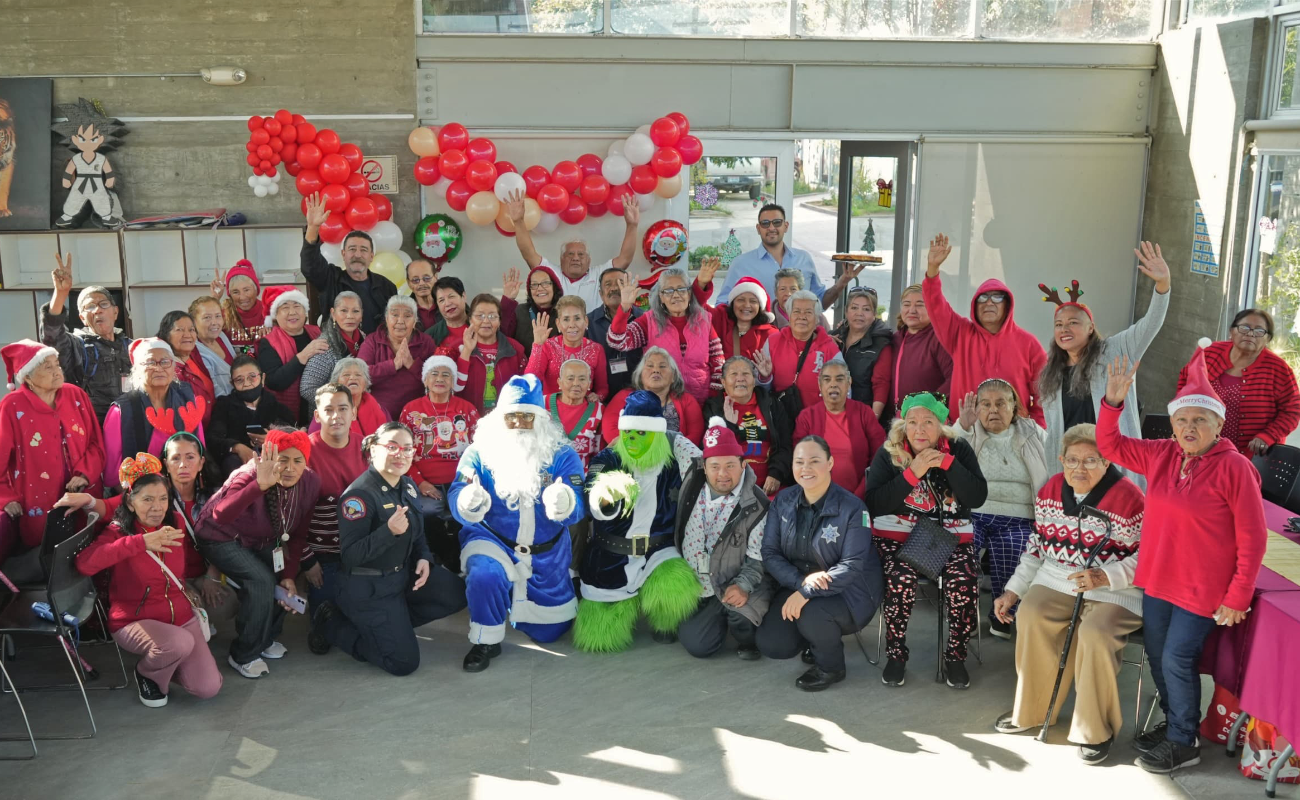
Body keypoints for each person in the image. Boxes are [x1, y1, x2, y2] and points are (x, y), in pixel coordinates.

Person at [1099, 353, 1266, 774]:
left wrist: (1238, 593)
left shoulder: (1236, 468)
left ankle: (1182, 741)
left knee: (1177, 658)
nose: (1189, 428)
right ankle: (1180, 724)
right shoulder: (1161, 455)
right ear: (1172, 424)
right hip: (1157, 580)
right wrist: (1113, 404)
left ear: (1217, 425)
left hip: (1201, 589)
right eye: (1182, 420)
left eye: (1200, 420)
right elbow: (1110, 445)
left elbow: (1253, 538)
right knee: (1158, 655)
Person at [991, 423, 1144, 765]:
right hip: (1058, 578)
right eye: (1072, 460)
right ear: (1061, 460)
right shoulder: (1049, 491)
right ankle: (1031, 710)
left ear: (1107, 462)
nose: (1080, 468)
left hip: (1115, 589)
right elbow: (1036, 547)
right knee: (1031, 614)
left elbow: (1147, 555)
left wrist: (1106, 575)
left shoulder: (1130, 498)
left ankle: (1094, 729)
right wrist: (1013, 591)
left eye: (1091, 460)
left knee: (1095, 633)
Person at [450, 375, 586, 671]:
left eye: (528, 416)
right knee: (486, 573)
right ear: (500, 418)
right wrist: (467, 500)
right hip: (493, 541)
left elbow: (578, 503)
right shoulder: (479, 453)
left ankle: (534, 595)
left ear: (541, 419)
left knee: (551, 633)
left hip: (545, 555)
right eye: (512, 416)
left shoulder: (562, 454)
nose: (520, 423)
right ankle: (486, 638)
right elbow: (457, 491)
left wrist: (565, 500)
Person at [311, 423, 467, 675]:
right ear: (373, 450)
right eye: (392, 447)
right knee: (403, 663)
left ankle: (392, 625)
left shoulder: (407, 485)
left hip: (402, 576)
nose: (401, 454)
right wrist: (388, 532)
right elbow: (350, 556)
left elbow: (417, 534)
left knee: (457, 594)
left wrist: (424, 558)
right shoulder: (359, 496)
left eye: (407, 449)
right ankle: (332, 623)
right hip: (370, 587)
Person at [865, 391, 988, 689]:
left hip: (948, 539)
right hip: (899, 537)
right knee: (900, 578)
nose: (919, 429)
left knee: (963, 579)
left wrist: (948, 465)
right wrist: (913, 473)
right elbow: (875, 503)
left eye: (927, 422)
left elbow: (978, 497)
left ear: (942, 425)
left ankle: (955, 656)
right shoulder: (889, 452)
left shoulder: (958, 449)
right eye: (912, 422)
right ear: (903, 425)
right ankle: (896, 655)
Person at [76, 460, 222, 708]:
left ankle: (168, 660)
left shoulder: (175, 521)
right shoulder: (118, 531)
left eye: (163, 498)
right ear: (130, 502)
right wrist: (141, 542)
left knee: (208, 688)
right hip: (132, 620)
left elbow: (181, 566)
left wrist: (191, 586)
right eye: (147, 500)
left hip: (181, 616)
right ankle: (148, 673)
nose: (157, 507)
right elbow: (85, 564)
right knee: (178, 643)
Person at [573, 390, 703, 652]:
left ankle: (662, 621)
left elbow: (701, 465)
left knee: (676, 588)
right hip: (611, 555)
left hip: (658, 551)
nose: (632, 439)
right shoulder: (609, 458)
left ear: (656, 434)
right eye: (628, 432)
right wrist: (606, 493)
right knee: (601, 636)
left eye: (641, 432)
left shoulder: (672, 461)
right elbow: (592, 490)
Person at [756, 436, 882, 691]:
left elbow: (852, 566)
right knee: (772, 644)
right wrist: (801, 583)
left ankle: (831, 667)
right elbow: (770, 552)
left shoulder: (854, 508)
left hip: (850, 593)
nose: (806, 468)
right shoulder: (783, 501)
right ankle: (815, 640)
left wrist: (806, 592)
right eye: (799, 462)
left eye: (815, 461)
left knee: (813, 614)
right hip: (799, 581)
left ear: (830, 463)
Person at [1040, 242, 1171, 484]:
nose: (1064, 328)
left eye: (1073, 322)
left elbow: (1151, 324)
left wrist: (1162, 286)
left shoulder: (1116, 350)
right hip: (1073, 471)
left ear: (1091, 328)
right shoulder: (1051, 373)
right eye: (1059, 324)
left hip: (1113, 468)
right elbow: (1053, 432)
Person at [195, 430, 319, 679]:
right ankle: (243, 654)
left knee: (282, 577)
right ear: (268, 458)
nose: (290, 468)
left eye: (298, 460)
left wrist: (289, 576)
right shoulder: (250, 473)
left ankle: (264, 639)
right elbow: (221, 515)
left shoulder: (310, 481)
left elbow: (298, 535)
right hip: (220, 537)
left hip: (260, 540)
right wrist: (260, 485)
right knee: (261, 581)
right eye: (282, 459)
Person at [954, 379, 1050, 639]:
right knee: (962, 550)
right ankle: (964, 615)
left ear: (1014, 406)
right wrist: (962, 426)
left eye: (1000, 403)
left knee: (1013, 549)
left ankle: (1003, 615)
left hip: (1020, 516)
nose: (993, 410)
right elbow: (948, 455)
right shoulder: (968, 430)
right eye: (985, 404)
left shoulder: (1032, 432)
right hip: (974, 512)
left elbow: (1055, 463)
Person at [923, 233, 1047, 425]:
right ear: (975, 305)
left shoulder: (1029, 343)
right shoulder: (960, 334)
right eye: (983, 298)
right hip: (967, 431)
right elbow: (936, 306)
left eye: (997, 297)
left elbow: (1044, 396)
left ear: (1008, 305)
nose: (989, 302)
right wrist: (932, 270)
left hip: (1013, 434)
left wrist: (1036, 431)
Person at [675, 418, 773, 660]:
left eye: (730, 465)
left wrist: (743, 586)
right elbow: (672, 439)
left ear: (743, 464)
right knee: (699, 646)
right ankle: (715, 617)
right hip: (699, 583)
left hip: (735, 581)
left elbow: (757, 558)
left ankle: (745, 637)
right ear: (703, 466)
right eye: (715, 466)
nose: (722, 474)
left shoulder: (757, 505)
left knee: (741, 618)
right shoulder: (692, 473)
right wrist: (625, 436)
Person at [0, 341, 103, 562]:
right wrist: (5, 497)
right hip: (37, 500)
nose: (58, 371)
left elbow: (96, 443)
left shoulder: (76, 395)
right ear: (27, 377)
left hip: (84, 491)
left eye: (57, 364)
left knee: (89, 553)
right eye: (48, 367)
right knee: (48, 558)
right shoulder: (12, 405)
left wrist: (84, 473)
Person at [1178, 308, 1300, 457]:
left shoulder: (1278, 369)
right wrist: (1184, 415)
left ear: (1267, 339)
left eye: (1259, 331)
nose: (1250, 334)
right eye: (1244, 328)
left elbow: (1292, 411)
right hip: (1204, 447)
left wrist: (1268, 435)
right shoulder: (1210, 352)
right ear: (1232, 331)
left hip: (1252, 455)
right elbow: (1186, 378)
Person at [401, 352, 478, 568]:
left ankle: (464, 559)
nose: (440, 379)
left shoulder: (467, 409)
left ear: (453, 381)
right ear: (425, 380)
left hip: (460, 480)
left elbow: (479, 450)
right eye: (434, 374)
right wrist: (419, 482)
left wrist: (467, 479)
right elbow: (403, 450)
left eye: (446, 374)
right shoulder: (411, 410)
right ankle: (444, 559)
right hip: (425, 481)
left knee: (468, 509)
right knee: (426, 512)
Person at [504, 188, 640, 311]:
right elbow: (529, 253)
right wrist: (518, 222)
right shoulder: (551, 274)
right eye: (570, 254)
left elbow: (625, 258)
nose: (575, 258)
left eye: (581, 254)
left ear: (589, 260)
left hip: (593, 335)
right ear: (561, 259)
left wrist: (632, 225)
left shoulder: (600, 274)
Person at [607, 267, 724, 405]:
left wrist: (713, 395)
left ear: (689, 293)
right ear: (661, 297)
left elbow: (718, 361)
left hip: (701, 402)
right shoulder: (649, 321)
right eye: (668, 291)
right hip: (661, 402)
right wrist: (625, 307)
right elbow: (617, 341)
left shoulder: (704, 320)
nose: (675, 295)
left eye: (681, 289)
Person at [299, 384, 367, 620]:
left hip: (361, 551)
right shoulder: (303, 452)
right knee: (325, 624)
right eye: (328, 410)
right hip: (321, 555)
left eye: (343, 408)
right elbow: (288, 516)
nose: (336, 416)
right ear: (317, 415)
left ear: (353, 412)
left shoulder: (368, 449)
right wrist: (307, 561)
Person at [716, 204, 862, 311]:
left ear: (786, 226)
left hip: (800, 340)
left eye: (777, 223)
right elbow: (722, 304)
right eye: (765, 223)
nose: (771, 228)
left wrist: (842, 283)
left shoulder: (804, 259)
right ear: (758, 228)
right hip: (759, 341)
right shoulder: (741, 264)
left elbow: (820, 303)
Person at [103, 339, 206, 489]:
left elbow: (199, 445)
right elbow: (113, 472)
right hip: (142, 492)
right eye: (150, 363)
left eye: (165, 362)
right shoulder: (121, 410)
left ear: (174, 367)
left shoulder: (187, 399)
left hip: (185, 487)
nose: (158, 368)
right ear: (136, 369)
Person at [40, 253, 130, 421]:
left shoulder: (132, 347)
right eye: (89, 307)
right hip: (91, 426)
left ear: (115, 311)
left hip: (130, 424)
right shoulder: (76, 346)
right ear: (82, 318)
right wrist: (61, 294)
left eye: (103, 304)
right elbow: (52, 336)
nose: (97, 310)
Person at [302, 192, 396, 333]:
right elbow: (310, 265)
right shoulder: (331, 279)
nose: (357, 255)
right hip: (338, 352)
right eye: (352, 249)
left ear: (371, 256)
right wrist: (313, 227)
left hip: (375, 352)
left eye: (363, 250)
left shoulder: (386, 287)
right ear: (343, 254)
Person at [793, 360, 885, 497]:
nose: (833, 384)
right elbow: (800, 463)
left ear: (849, 383)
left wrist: (858, 495)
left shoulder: (864, 413)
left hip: (860, 497)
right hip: (817, 497)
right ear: (820, 385)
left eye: (840, 379)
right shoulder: (807, 417)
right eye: (827, 379)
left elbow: (879, 457)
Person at [703, 356, 792, 494]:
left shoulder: (772, 405)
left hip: (771, 487)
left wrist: (776, 474)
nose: (740, 378)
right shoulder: (714, 409)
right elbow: (713, 452)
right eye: (733, 374)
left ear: (754, 380)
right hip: (731, 487)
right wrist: (729, 425)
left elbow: (785, 445)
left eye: (746, 373)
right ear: (723, 382)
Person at [757, 290, 844, 411]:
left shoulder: (830, 348)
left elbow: (844, 389)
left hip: (818, 419)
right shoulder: (773, 342)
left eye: (808, 312)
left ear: (817, 318)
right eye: (796, 311)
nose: (802, 316)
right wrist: (764, 378)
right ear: (789, 315)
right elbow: (761, 389)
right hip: (782, 418)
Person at [207, 356, 295, 473]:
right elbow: (213, 439)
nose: (247, 384)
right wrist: (236, 447)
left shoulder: (277, 407)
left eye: (252, 377)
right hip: (238, 466)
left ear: (262, 378)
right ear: (232, 383)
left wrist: (273, 438)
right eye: (239, 380)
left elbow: (296, 436)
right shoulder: (224, 406)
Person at [603, 347, 704, 447]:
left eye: (662, 366)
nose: (656, 370)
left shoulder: (686, 400)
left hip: (675, 458)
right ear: (641, 375)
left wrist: (667, 453)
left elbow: (695, 435)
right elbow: (610, 430)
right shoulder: (625, 397)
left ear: (673, 376)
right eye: (650, 365)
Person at [359, 296, 438, 419]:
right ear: (386, 318)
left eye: (407, 316)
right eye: (395, 315)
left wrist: (412, 364)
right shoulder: (372, 341)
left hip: (418, 415)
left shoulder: (426, 342)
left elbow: (437, 378)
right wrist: (393, 365)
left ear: (415, 320)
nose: (400, 321)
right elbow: (360, 375)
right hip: (379, 413)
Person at [255, 286, 325, 425]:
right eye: (285, 307)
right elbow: (274, 382)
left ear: (305, 311)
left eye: (297, 306)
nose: (292, 312)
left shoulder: (317, 332)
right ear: (275, 314)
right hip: (285, 417)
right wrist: (303, 356)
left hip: (319, 409)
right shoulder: (268, 341)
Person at [525, 295, 609, 399]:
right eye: (566, 319)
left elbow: (602, 389)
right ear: (558, 324)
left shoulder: (596, 349)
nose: (572, 325)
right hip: (551, 410)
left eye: (577, 318)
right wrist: (537, 345)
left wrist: (597, 396)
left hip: (584, 409)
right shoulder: (548, 346)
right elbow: (530, 382)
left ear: (586, 321)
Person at [454, 294, 527, 415]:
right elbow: (453, 387)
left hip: (505, 420)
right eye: (480, 316)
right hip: (466, 419)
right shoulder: (455, 348)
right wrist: (466, 350)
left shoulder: (515, 349)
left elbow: (526, 386)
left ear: (499, 321)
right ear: (470, 319)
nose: (486, 321)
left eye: (492, 316)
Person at [890, 283, 952, 415]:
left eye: (919, 305)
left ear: (932, 308)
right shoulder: (895, 339)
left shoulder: (939, 339)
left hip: (928, 419)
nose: (912, 310)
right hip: (897, 420)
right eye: (906, 304)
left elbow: (953, 379)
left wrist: (928, 405)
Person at [831, 286, 892, 417]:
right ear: (846, 312)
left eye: (866, 309)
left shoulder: (881, 343)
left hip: (862, 414)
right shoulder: (833, 337)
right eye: (854, 308)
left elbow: (881, 383)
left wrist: (873, 418)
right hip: (832, 412)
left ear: (874, 314)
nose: (859, 313)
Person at [298, 291, 365, 405]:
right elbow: (307, 389)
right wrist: (336, 403)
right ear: (333, 314)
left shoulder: (365, 339)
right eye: (343, 311)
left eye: (355, 311)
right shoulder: (324, 346)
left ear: (361, 315)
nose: (350, 316)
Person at [588, 267, 643, 399]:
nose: (614, 288)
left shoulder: (644, 319)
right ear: (601, 294)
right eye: (608, 284)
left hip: (639, 395)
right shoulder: (588, 322)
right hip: (600, 397)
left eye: (620, 283)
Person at [159, 311, 216, 426]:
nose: (187, 335)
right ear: (166, 335)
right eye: (179, 330)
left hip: (210, 429)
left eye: (191, 330)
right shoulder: (166, 369)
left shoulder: (194, 354)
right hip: (190, 434)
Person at [544, 359, 603, 471]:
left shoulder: (598, 410)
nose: (576, 383)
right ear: (559, 382)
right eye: (570, 378)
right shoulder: (542, 404)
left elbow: (600, 455)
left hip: (581, 478)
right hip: (546, 477)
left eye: (582, 379)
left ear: (589, 384)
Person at [318, 357, 389, 439]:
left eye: (358, 375)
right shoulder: (327, 410)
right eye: (346, 375)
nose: (352, 378)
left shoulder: (378, 409)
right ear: (336, 382)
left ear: (365, 383)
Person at [504, 265, 563, 355]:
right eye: (534, 285)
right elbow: (502, 337)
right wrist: (508, 301)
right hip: (525, 368)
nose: (539, 288)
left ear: (554, 287)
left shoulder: (563, 313)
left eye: (545, 283)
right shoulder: (519, 311)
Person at [188, 296, 235, 397]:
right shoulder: (194, 350)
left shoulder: (222, 336)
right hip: (223, 406)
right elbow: (213, 389)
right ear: (193, 322)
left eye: (218, 316)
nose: (214, 322)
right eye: (207, 317)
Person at [221, 259, 269, 356]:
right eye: (235, 292)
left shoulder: (269, 313)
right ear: (230, 295)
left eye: (246, 290)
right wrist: (214, 298)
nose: (242, 297)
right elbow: (203, 334)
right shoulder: (223, 315)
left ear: (256, 290)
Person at [425, 276, 473, 349]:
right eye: (441, 300)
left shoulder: (481, 325)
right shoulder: (430, 336)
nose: (447, 303)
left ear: (463, 296)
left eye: (451, 297)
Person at [406, 257, 442, 331]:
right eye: (415, 280)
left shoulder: (449, 304)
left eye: (426, 278)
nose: (421, 283)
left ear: (436, 278)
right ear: (409, 283)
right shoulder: (404, 310)